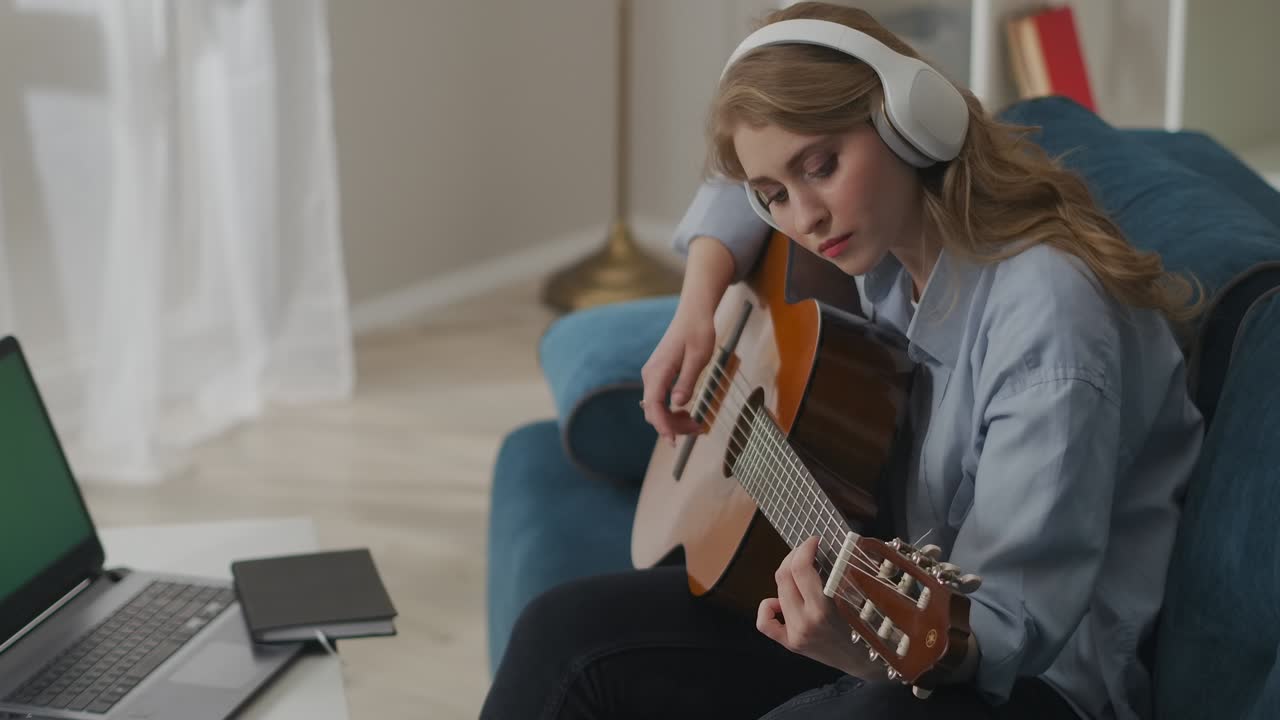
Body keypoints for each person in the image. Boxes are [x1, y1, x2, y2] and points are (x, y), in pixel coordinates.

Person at [481, 3, 1205, 718]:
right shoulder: (887, 249)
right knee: (561, 634)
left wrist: (859, 657)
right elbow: (742, 169)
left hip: (1026, 681)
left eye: (822, 167)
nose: (805, 218)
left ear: (909, 120)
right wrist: (696, 309)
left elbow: (1005, 628)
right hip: (894, 614)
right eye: (775, 197)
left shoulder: (1047, 317)